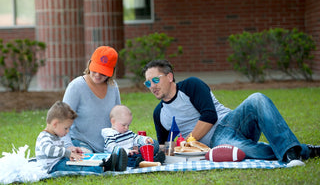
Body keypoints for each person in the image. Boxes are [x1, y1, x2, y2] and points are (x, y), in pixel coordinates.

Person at [142, 59, 320, 167]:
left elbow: (209, 116)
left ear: (170, 77)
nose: (152, 86)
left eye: (155, 80)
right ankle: (298, 151)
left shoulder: (190, 86)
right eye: (148, 83)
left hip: (232, 122)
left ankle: (290, 151)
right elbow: (167, 146)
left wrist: (188, 141)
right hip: (217, 143)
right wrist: (151, 149)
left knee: (257, 98)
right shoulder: (159, 113)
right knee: (242, 150)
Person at [61, 46, 127, 169]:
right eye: (95, 69)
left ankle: (108, 160)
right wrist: (68, 146)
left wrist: (125, 140)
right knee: (87, 157)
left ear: (111, 71)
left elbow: (118, 119)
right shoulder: (76, 86)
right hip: (81, 143)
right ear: (90, 64)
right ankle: (104, 162)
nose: (97, 75)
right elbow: (62, 120)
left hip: (108, 144)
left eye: (103, 72)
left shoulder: (113, 87)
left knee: (139, 151)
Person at [35, 101, 126, 173]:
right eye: (66, 128)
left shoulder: (55, 136)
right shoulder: (44, 137)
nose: (67, 132)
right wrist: (68, 153)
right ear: (55, 124)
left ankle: (109, 162)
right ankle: (104, 168)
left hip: (60, 161)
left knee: (80, 160)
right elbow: (49, 150)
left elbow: (59, 151)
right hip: (52, 167)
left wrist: (71, 151)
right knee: (79, 168)